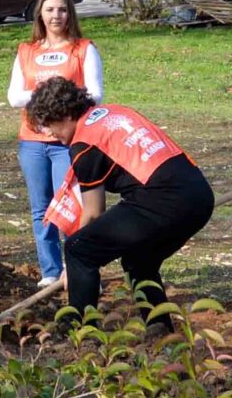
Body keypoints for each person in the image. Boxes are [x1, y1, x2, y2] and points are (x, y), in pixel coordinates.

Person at [25, 76, 213, 318]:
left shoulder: (84, 144)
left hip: (163, 199)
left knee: (79, 249)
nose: (49, 133)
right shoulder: (115, 112)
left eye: (49, 124)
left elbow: (93, 212)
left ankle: (78, 329)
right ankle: (159, 329)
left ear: (65, 114)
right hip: (198, 193)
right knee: (139, 259)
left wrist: (74, 265)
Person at [7, 0, 103, 289]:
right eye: (50, 9)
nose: (56, 15)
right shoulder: (26, 51)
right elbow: (13, 97)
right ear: (40, 14)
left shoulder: (83, 49)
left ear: (69, 13)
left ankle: (82, 270)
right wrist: (53, 91)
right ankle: (50, 271)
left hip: (67, 143)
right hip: (32, 141)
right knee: (41, 208)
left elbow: (95, 94)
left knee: (74, 206)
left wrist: (56, 98)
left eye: (62, 9)